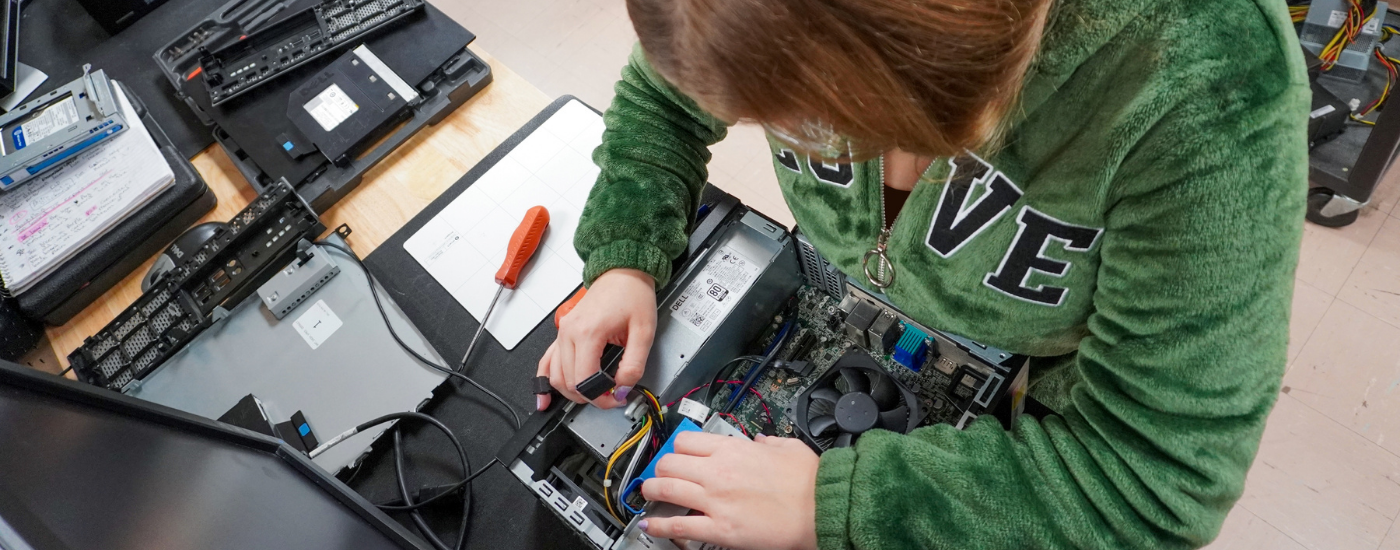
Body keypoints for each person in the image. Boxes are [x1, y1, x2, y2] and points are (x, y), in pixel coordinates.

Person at [536, 0, 1308, 547]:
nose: (806, 147)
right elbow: (664, 102)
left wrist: (839, 504)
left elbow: (1148, 479)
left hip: (1048, 394)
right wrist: (625, 257)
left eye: (825, 125)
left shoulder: (1209, 80)